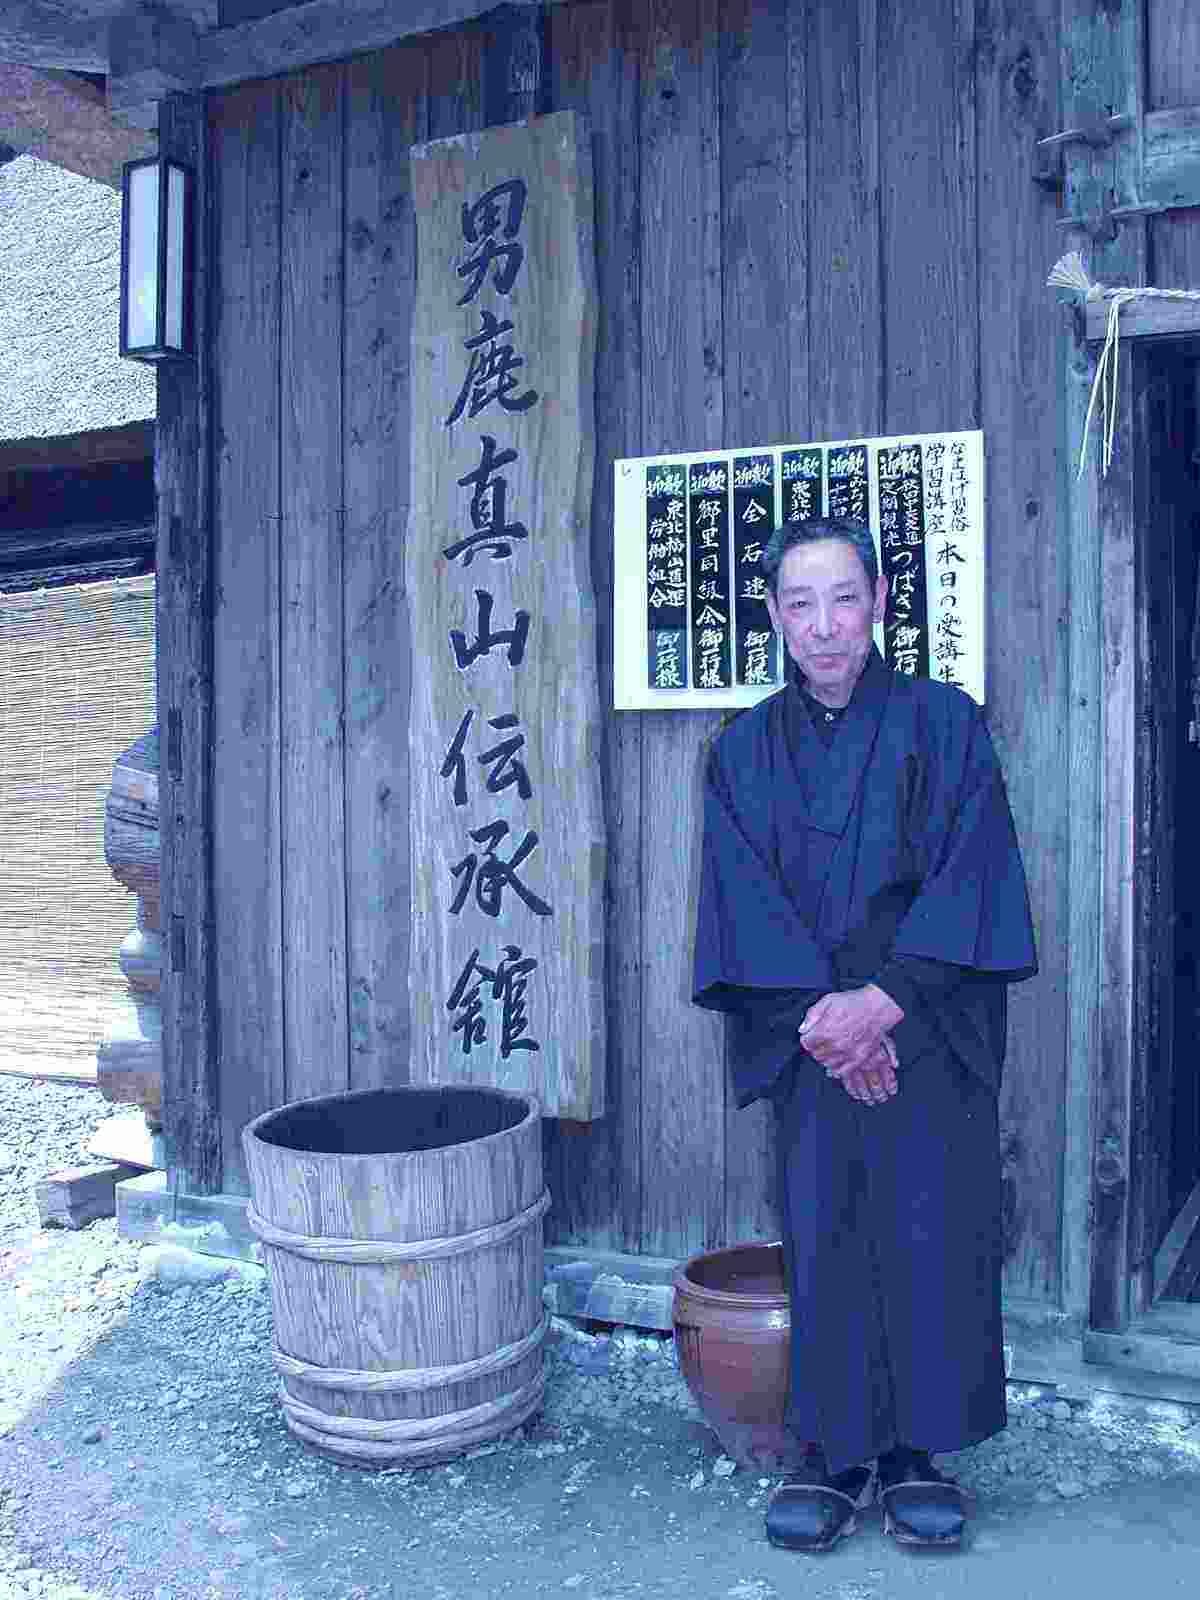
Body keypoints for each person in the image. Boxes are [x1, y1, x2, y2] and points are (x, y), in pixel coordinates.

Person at [692, 517, 1037, 1552]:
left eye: (844, 598)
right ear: (774, 616)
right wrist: (826, 1023)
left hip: (924, 1027)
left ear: (880, 601)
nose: (825, 624)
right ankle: (833, 1454)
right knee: (827, 1233)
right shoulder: (742, 750)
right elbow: (740, 900)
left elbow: (974, 873)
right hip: (809, 1041)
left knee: (932, 1234)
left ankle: (916, 1453)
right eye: (800, 603)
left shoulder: (945, 724)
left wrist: (884, 1004)